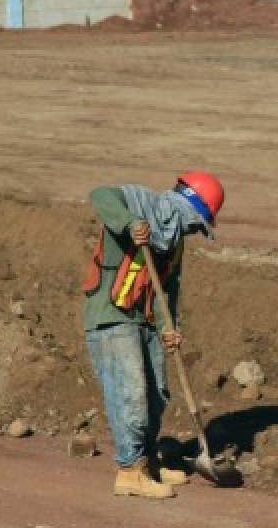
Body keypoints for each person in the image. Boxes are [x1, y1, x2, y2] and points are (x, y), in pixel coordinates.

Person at [81, 171, 225, 499]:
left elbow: (167, 291)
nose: (191, 231)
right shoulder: (137, 203)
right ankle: (130, 471)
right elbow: (100, 192)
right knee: (131, 392)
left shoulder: (173, 245)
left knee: (156, 393)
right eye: (194, 223)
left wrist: (168, 329)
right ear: (185, 209)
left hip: (145, 320)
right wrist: (130, 223)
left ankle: (148, 463)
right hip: (113, 317)